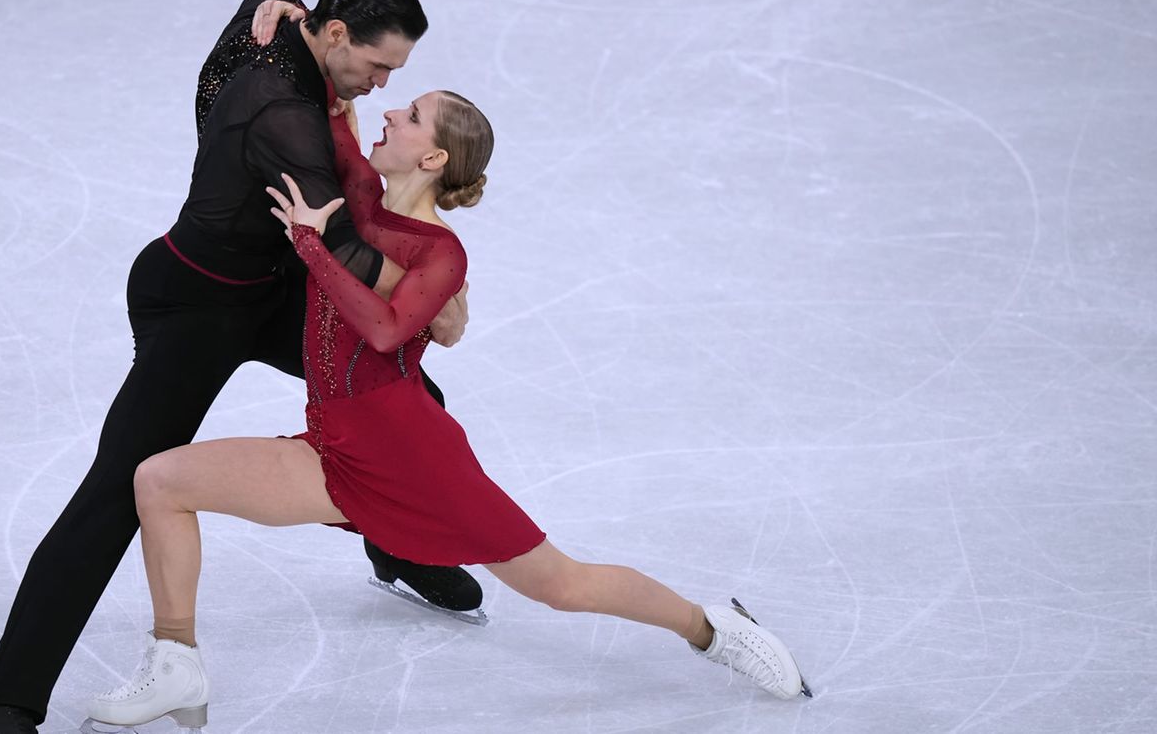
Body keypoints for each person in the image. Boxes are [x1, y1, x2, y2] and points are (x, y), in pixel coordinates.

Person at [84, 88, 812, 730]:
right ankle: (176, 662)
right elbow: (335, 110)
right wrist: (278, 14)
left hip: (410, 453)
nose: (393, 112)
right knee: (161, 480)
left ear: (433, 158)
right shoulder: (359, 200)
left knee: (559, 584)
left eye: (412, 115)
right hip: (334, 444)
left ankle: (711, 627)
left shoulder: (441, 253)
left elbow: (385, 330)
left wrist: (311, 242)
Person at [0, 0, 485, 734]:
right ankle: (4, 697)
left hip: (273, 288)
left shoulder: (271, 27)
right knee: (118, 489)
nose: (380, 85)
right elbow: (339, 240)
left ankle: (397, 543)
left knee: (408, 405)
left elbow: (260, 0)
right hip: (196, 303)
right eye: (377, 67)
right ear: (335, 35)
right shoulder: (281, 112)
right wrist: (440, 290)